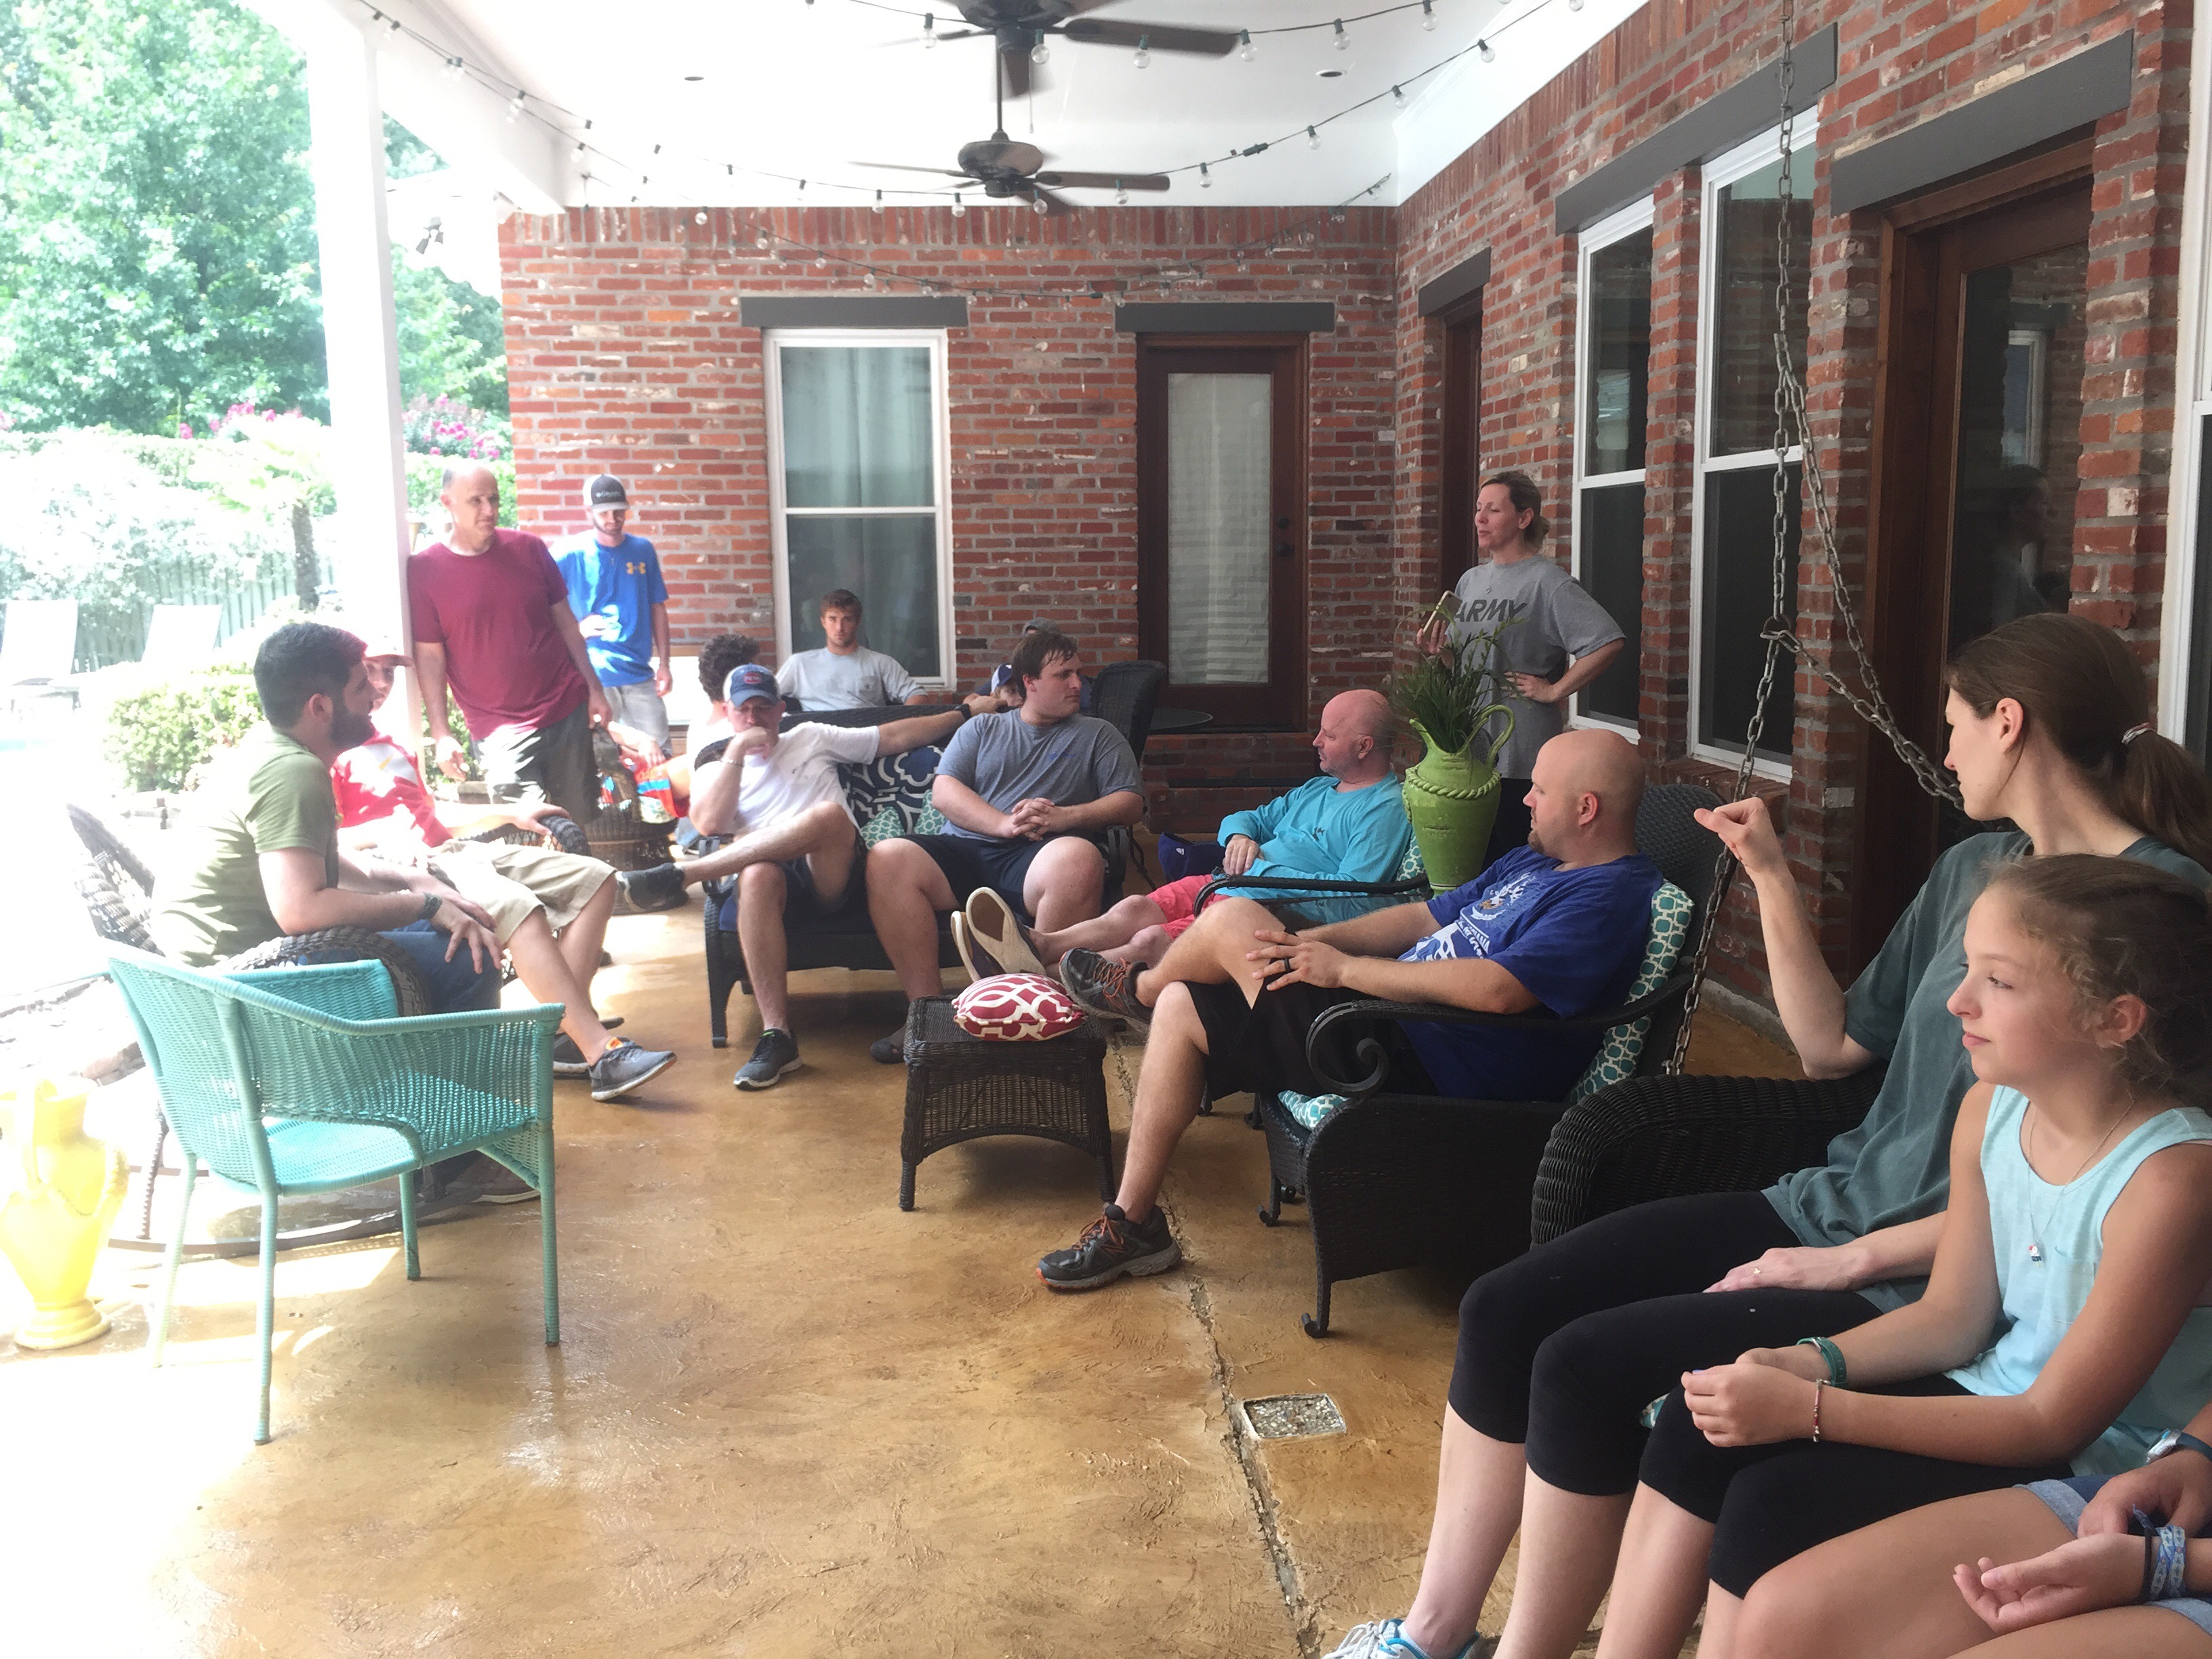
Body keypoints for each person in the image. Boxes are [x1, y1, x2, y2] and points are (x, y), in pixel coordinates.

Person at [1322, 612, 2212, 1659]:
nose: (1945, 751)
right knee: (1511, 1309)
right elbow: (1831, 1046)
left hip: (1938, 1281)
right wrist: (1772, 875)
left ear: (2008, 723)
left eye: (1954, 724)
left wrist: (1841, 1306)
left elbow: (2116, 1187)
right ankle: (1436, 1636)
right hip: (1840, 1204)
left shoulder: (2163, 921)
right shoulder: (1978, 874)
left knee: (1602, 1377)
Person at [1587, 857, 2212, 1659]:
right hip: (1996, 1392)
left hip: (2102, 1456)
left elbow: (2052, 1421)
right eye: (1969, 970)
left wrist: (1811, 1408)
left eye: (2000, 981)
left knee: (1778, 1505)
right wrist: (1804, 1360)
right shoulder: (1993, 1108)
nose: (1959, 1000)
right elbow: (1954, 1319)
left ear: (2114, 1020)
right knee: (1697, 1430)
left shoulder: (2171, 1177)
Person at [1034, 728, 1660, 1293]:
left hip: (1433, 1056)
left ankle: (1136, 990)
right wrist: (1310, 945)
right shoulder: (1535, 862)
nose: (1526, 799)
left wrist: (1344, 972)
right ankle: (1134, 1224)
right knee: (1185, 1000)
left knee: (1231, 918)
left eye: (1540, 791)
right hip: (1386, 1018)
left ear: (1586, 808)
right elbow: (1422, 917)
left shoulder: (1607, 896)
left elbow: (1502, 992)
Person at [330, 640, 677, 1103]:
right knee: (516, 905)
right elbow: (327, 846)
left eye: (389, 673)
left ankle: (562, 1033)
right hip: (405, 870)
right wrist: (382, 834)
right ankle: (601, 1054)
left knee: (596, 879)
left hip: (451, 850)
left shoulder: (390, 745)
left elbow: (431, 816)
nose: (381, 684)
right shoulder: (331, 754)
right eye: (370, 673)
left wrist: (512, 813)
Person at [630, 663, 993, 1089]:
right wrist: (738, 750)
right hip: (778, 884)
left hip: (835, 872)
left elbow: (894, 736)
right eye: (744, 709)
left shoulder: (809, 736)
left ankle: (686, 874)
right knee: (757, 875)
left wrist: (964, 713)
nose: (754, 718)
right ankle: (777, 1037)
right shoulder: (716, 764)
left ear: (781, 710)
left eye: (763, 708)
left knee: (828, 817)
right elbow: (709, 824)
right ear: (727, 712)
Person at [863, 628, 1144, 1064]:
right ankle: (927, 1014)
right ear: (1029, 682)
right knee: (888, 857)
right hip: (970, 848)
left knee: (1080, 857)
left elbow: (1130, 803)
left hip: (1042, 857)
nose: (1078, 684)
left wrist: (1065, 817)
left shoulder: (1098, 734)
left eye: (1079, 673)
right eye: (1063, 675)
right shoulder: (984, 728)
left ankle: (1036, 1010)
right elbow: (945, 792)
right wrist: (1003, 824)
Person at [1002, 689, 1406, 992]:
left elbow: (1357, 899)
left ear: (1364, 746)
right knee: (1134, 908)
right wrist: (1240, 837)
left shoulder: (1383, 808)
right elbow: (1245, 818)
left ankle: (1036, 984)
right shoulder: (1318, 789)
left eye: (1328, 735)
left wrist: (1262, 873)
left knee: (1148, 941)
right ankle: (1039, 944)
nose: (1315, 740)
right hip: (1229, 882)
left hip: (1268, 908)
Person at [1416, 471, 1625, 867]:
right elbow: (1465, 663)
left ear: (1524, 518)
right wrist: (1440, 653)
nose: (1480, 519)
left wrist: (1555, 690)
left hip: (1520, 752)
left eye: (1494, 510)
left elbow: (1606, 641)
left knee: (1514, 860)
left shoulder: (1548, 582)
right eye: (1479, 509)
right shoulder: (1470, 581)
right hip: (1469, 750)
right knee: (1470, 864)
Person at [410, 463, 610, 827]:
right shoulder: (425, 570)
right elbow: (429, 656)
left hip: (564, 707)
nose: (489, 510)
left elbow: (567, 623)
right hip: (498, 730)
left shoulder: (529, 548)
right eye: (476, 501)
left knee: (578, 826)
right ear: (447, 502)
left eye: (494, 499)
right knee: (526, 832)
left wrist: (594, 689)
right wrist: (440, 733)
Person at [554, 474, 673, 753]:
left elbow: (657, 607)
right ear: (588, 511)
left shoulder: (642, 550)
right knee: (605, 756)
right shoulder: (567, 554)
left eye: (619, 511)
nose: (613, 519)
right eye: (604, 512)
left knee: (660, 753)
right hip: (594, 675)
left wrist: (665, 663)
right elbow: (540, 606)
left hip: (639, 671)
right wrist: (576, 631)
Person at [775, 589, 930, 710]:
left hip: (868, 736)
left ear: (857, 622)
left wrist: (899, 726)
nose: (839, 628)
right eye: (833, 619)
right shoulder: (799, 664)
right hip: (819, 737)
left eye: (847, 619)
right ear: (823, 622)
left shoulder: (881, 663)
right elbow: (766, 697)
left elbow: (918, 695)